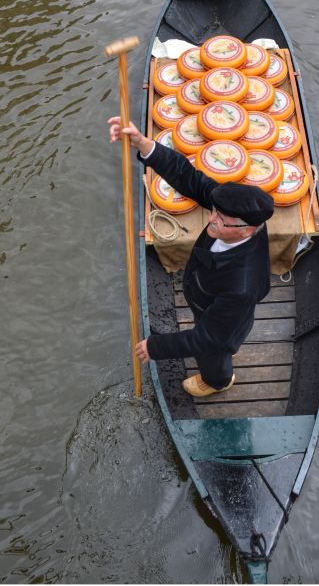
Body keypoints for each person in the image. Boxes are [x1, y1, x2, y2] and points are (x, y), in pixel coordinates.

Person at [109, 117, 273, 397]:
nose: (210, 220)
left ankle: (218, 381)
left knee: (214, 354)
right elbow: (189, 178)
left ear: (247, 230)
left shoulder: (241, 286)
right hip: (209, 299)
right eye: (213, 212)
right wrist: (144, 144)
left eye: (220, 221)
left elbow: (207, 336)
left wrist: (155, 347)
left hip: (222, 322)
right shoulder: (232, 215)